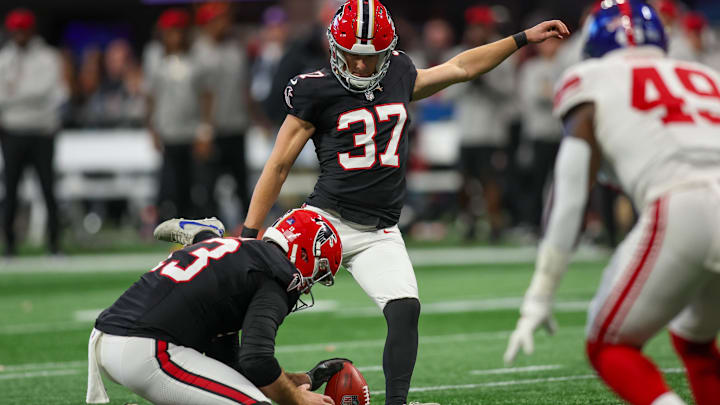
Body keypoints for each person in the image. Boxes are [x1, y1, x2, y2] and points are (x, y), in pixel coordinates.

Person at [240, 1, 569, 404]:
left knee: (405, 310)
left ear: (388, 51)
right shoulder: (315, 88)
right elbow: (278, 166)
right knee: (256, 292)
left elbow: (462, 67)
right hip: (323, 220)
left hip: (379, 229)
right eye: (353, 57)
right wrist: (249, 235)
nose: (361, 67)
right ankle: (244, 380)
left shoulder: (398, 72)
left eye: (371, 57)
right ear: (335, 48)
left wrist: (521, 39)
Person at [504, 2, 720, 405]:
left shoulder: (590, 77)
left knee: (608, 346)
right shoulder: (705, 74)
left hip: (681, 204)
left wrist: (541, 293)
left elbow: (570, 194)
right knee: (695, 342)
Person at [86, 209, 346, 405]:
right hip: (146, 349)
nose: (310, 286)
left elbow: (228, 363)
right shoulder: (275, 276)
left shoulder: (239, 254)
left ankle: (203, 232)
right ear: (304, 254)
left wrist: (292, 381)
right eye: (318, 274)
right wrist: (297, 401)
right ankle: (202, 231)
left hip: (110, 338)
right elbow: (256, 359)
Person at [0, 8, 68, 256]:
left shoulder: (48, 58)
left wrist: (14, 96)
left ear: (31, 31)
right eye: (15, 30)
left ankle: (54, 245)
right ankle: (9, 247)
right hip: (13, 133)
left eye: (23, 30)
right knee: (10, 191)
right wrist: (23, 98)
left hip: (42, 132)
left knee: (48, 190)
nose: (19, 35)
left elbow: (51, 93)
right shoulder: (4, 58)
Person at [144, 8, 214, 221]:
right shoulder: (155, 60)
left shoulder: (195, 60)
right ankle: (174, 227)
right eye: (170, 31)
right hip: (169, 132)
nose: (175, 36)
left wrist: (205, 130)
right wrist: (152, 129)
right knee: (170, 186)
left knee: (197, 186)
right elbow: (151, 97)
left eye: (179, 31)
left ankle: (199, 227)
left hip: (191, 133)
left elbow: (206, 96)